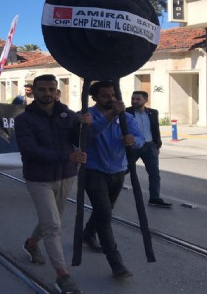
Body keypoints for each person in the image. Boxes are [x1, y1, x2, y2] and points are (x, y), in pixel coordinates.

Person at [15, 74, 90, 294]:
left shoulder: (69, 115)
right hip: (39, 178)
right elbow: (29, 150)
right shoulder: (24, 120)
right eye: (42, 89)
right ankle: (62, 275)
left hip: (67, 175)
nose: (47, 93)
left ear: (57, 91)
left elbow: (81, 141)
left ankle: (31, 243)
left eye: (51, 89)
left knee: (52, 220)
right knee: (53, 225)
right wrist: (66, 157)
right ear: (33, 91)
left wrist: (87, 126)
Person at [83, 80, 144, 279]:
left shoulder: (126, 118)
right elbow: (87, 136)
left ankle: (88, 234)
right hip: (94, 173)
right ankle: (116, 263)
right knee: (105, 215)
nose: (111, 99)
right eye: (105, 96)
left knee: (104, 210)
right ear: (94, 98)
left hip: (118, 172)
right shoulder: (87, 116)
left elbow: (140, 138)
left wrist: (133, 141)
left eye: (113, 95)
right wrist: (110, 116)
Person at [126, 91, 171, 208]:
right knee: (123, 170)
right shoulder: (126, 112)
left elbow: (155, 129)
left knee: (154, 174)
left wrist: (157, 145)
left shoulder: (153, 112)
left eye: (137, 99)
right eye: (133, 99)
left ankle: (154, 198)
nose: (134, 101)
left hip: (150, 146)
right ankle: (110, 191)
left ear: (145, 100)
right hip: (133, 146)